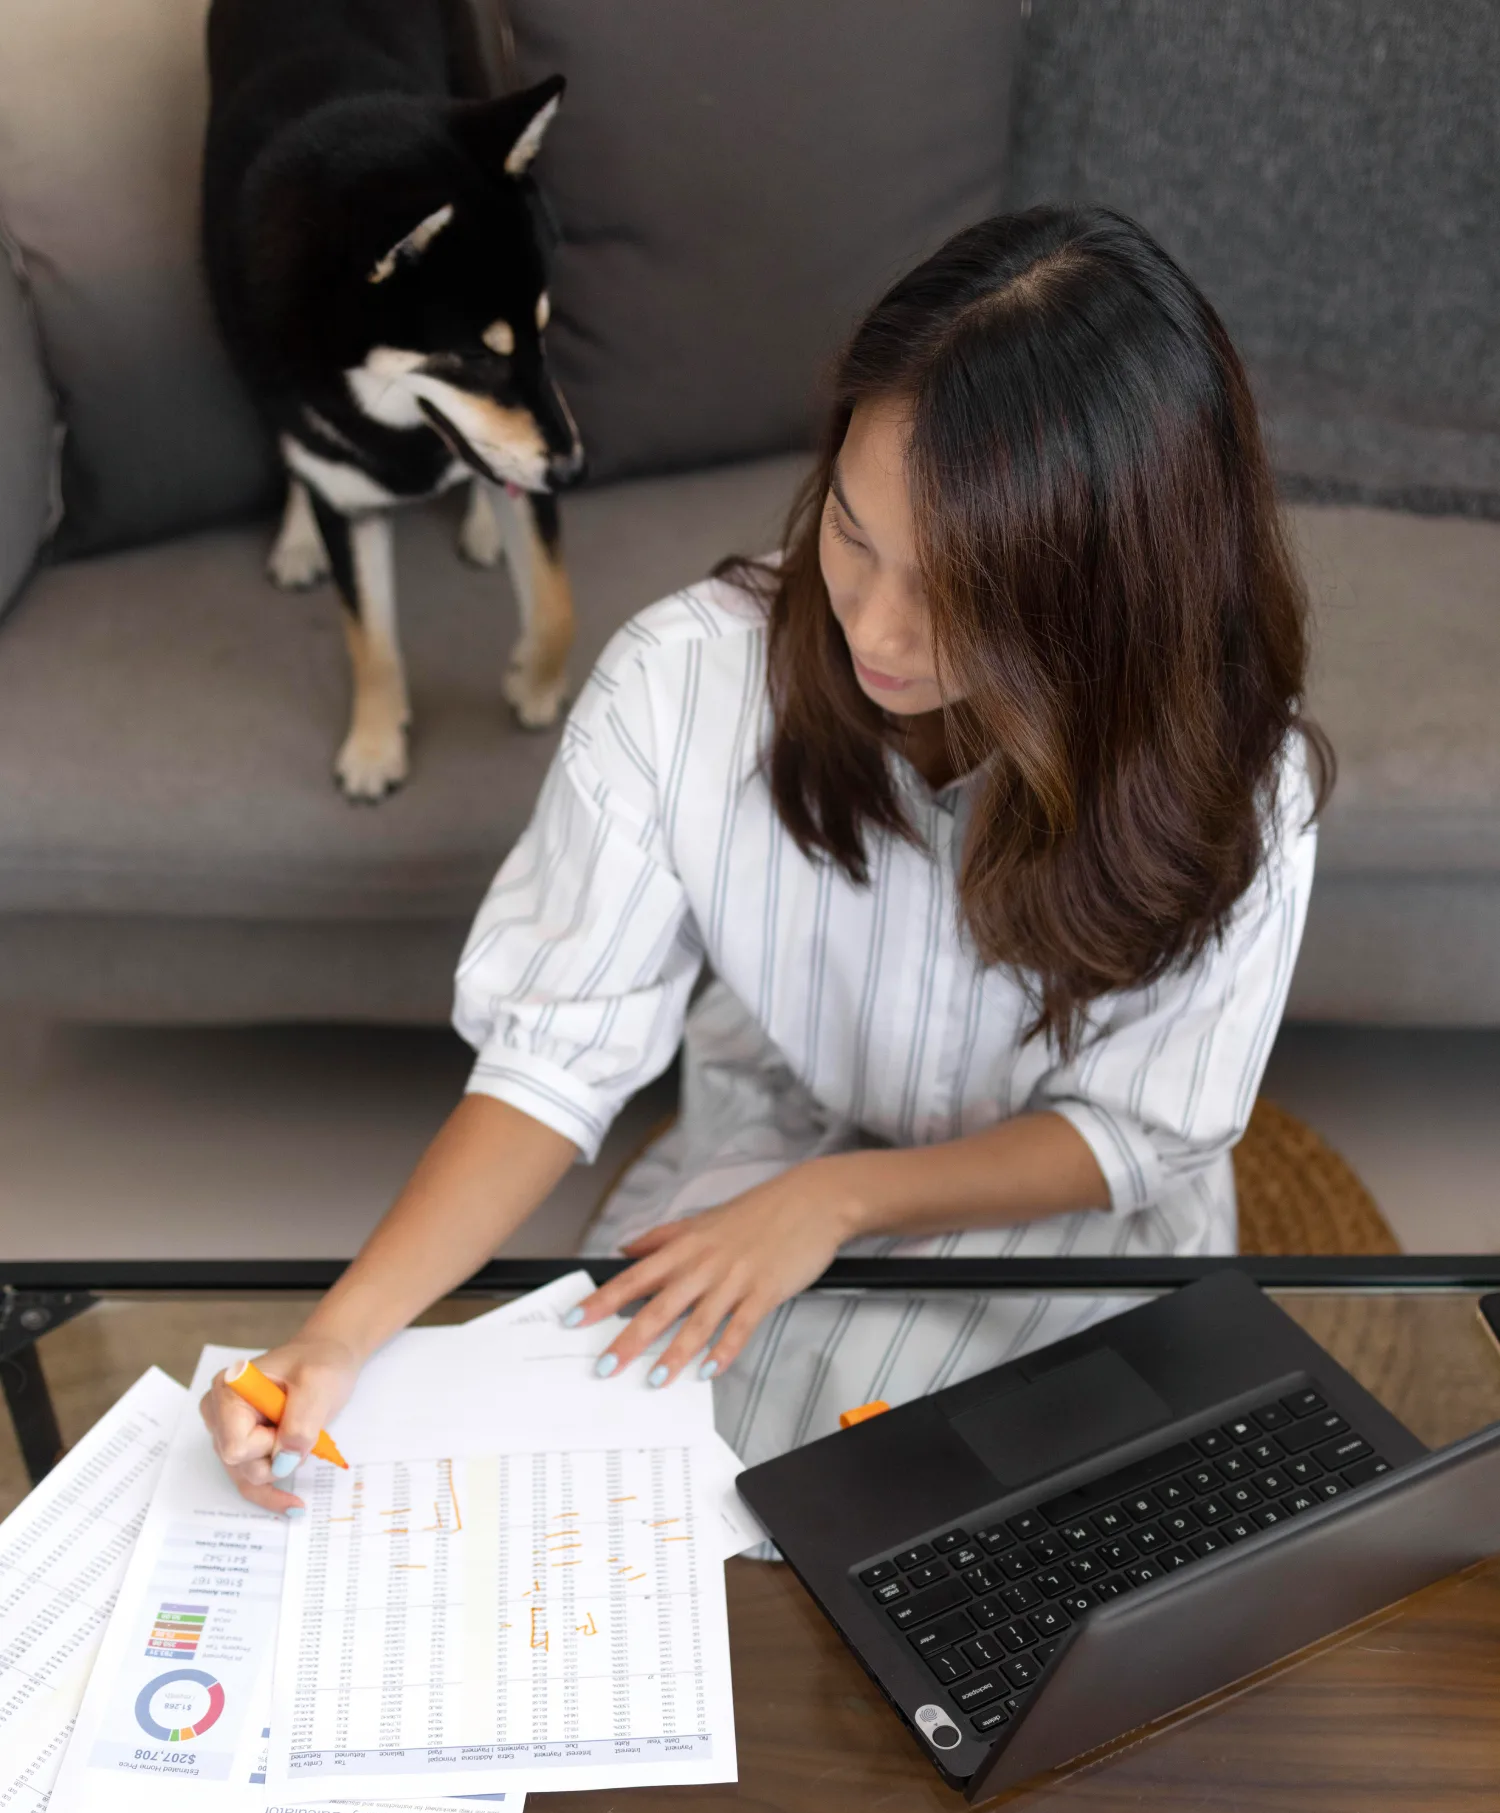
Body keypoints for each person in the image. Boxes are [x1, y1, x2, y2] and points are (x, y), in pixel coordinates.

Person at [204, 205, 1330, 1509]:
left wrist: (841, 1202)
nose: (877, 630)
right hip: (782, 1145)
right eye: (853, 532)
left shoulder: (1242, 781)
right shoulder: (682, 682)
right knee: (648, 1502)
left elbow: (1142, 1129)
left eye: (961, 590)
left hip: (1063, 1219)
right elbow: (552, 1056)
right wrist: (339, 1334)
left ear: (1111, 590)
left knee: (978, 1533)